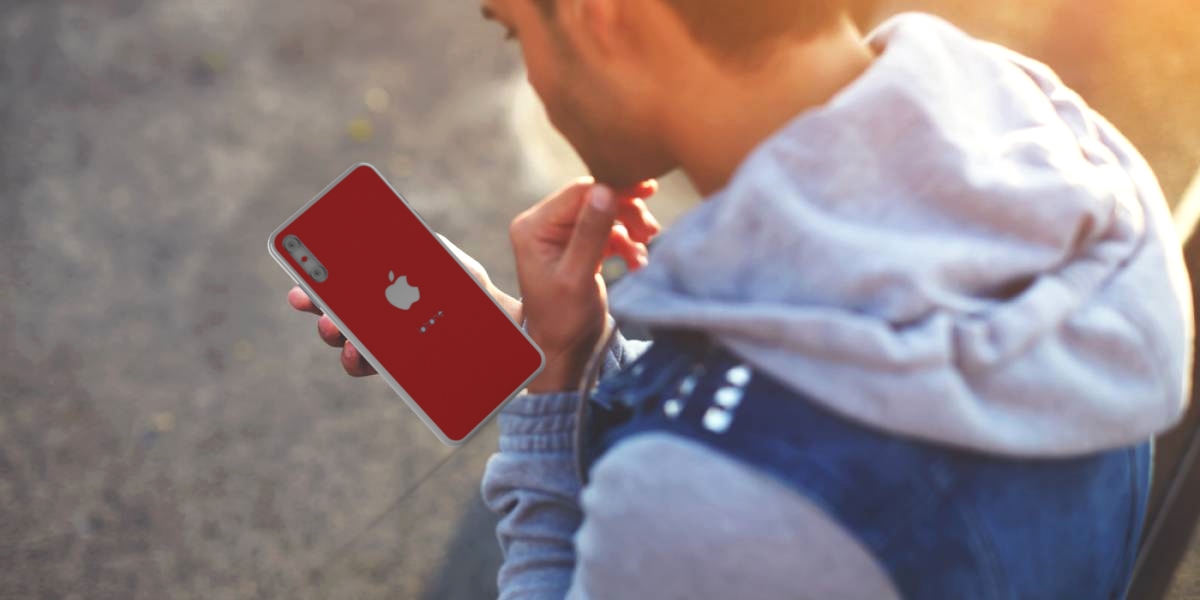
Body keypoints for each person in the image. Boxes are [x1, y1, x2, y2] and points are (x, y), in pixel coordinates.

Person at [288, 1, 1195, 598]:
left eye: (514, 32)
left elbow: (745, 472)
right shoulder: (1054, 143)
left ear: (603, 16)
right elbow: (835, 385)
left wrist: (551, 402)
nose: (531, 73)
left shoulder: (711, 505)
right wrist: (570, 352)